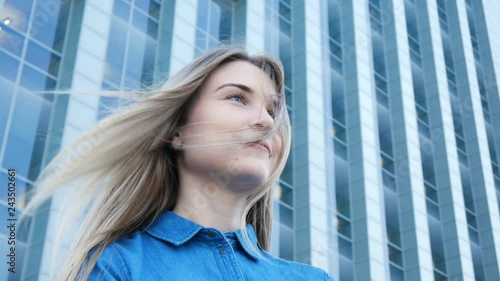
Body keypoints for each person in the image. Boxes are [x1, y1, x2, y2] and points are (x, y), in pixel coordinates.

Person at [25, 47, 335, 280]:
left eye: (273, 110)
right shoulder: (117, 267)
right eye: (237, 98)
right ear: (179, 132)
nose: (266, 121)